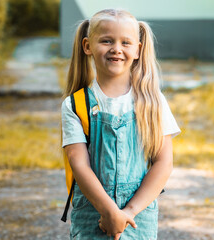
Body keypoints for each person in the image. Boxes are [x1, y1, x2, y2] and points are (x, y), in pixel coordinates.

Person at [61, 9, 181, 240]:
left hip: (138, 216)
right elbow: (79, 164)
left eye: (126, 42)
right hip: (92, 215)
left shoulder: (153, 102)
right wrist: (109, 212)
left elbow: (163, 163)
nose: (116, 48)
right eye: (107, 41)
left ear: (137, 49)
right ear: (87, 46)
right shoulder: (76, 105)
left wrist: (128, 212)